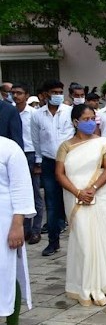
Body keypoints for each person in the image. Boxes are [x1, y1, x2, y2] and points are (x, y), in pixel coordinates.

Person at [55, 104, 106, 305]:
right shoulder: (66, 146)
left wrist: (93, 188)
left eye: (92, 119)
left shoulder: (104, 143)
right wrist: (78, 192)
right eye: (85, 119)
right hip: (75, 198)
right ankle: (84, 287)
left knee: (103, 240)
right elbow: (59, 173)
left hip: (100, 198)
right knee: (83, 241)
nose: (90, 122)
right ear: (75, 122)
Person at [0, 137, 36, 325]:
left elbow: (22, 188)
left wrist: (17, 225)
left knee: (6, 271)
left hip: (5, 220)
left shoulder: (8, 148)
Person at [31, 79, 74, 256]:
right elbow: (36, 139)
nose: (57, 95)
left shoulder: (69, 112)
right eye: (54, 92)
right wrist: (39, 160)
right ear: (46, 94)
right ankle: (53, 242)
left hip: (70, 160)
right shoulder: (37, 115)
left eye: (59, 92)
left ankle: (79, 240)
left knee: (72, 199)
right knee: (52, 202)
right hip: (49, 162)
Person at [12, 83, 43, 244]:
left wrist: (38, 160)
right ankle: (24, 228)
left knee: (35, 192)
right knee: (18, 192)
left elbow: (37, 138)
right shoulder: (9, 111)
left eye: (19, 93)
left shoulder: (33, 114)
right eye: (13, 93)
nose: (16, 96)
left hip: (31, 154)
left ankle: (36, 230)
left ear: (26, 95)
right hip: (14, 153)